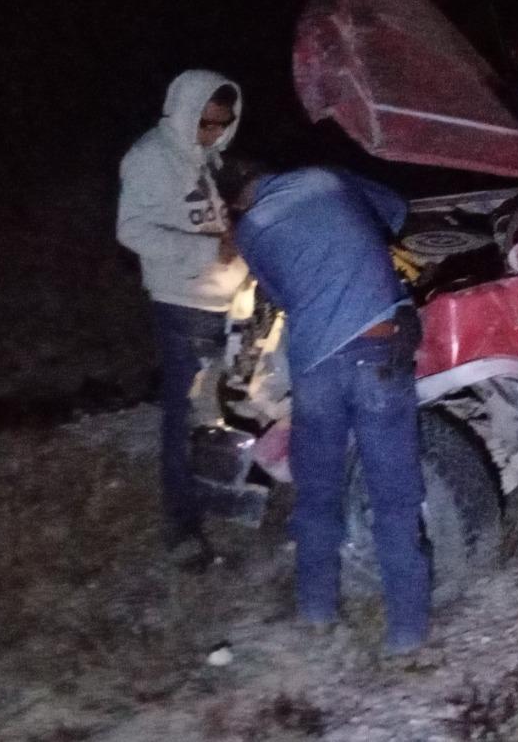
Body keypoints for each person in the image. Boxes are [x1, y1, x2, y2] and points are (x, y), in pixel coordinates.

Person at [219, 160, 430, 655]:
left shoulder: (251, 231)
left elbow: (283, 295)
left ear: (235, 204)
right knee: (395, 499)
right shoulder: (326, 179)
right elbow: (395, 211)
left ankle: (317, 613)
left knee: (317, 492)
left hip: (316, 365)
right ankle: (407, 634)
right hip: (379, 350)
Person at [116, 70, 247, 566]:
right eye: (206, 123)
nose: (213, 132)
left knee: (223, 403)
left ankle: (224, 492)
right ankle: (181, 526)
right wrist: (207, 252)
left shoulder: (204, 155)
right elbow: (132, 231)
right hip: (183, 303)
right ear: (185, 109)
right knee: (187, 413)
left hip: (223, 299)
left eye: (222, 124)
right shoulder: (150, 156)